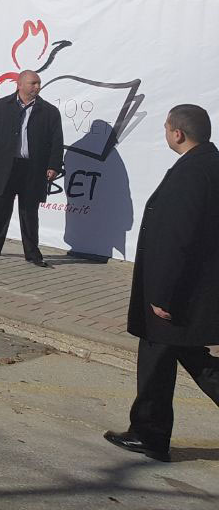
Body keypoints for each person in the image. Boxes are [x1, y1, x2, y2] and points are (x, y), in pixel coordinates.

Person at [104, 104, 219, 463]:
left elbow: (178, 237)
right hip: (197, 289)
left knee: (156, 358)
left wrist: (162, 295)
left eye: (167, 128)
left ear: (177, 134)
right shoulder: (210, 163)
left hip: (177, 292)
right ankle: (148, 431)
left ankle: (148, 435)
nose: (166, 133)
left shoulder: (191, 172)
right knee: (194, 358)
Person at [0, 69, 64, 266]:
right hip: (5, 166)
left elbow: (57, 142)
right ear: (20, 84)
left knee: (29, 212)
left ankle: (32, 253)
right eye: (33, 83)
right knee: (0, 209)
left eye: (39, 83)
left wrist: (54, 165)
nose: (37, 87)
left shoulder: (49, 111)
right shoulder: (1, 106)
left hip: (33, 168)